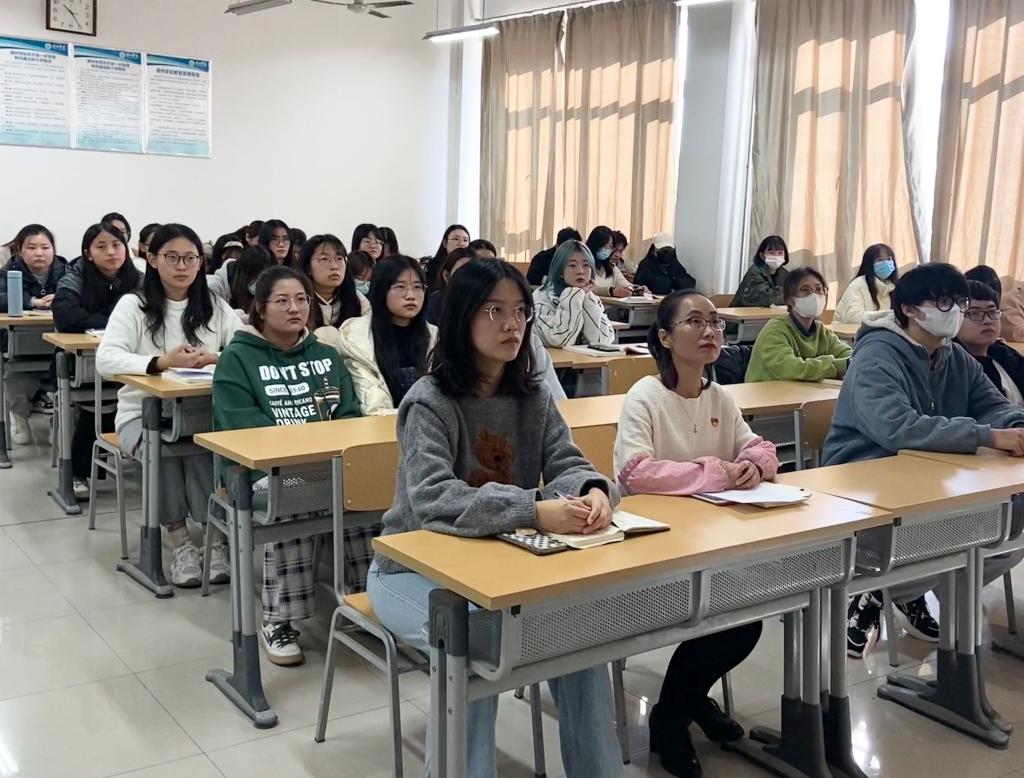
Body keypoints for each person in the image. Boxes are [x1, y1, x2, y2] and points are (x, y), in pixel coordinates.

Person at [367, 258, 624, 778]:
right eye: (495, 311)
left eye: (521, 311)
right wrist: (534, 510)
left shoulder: (532, 395)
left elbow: (567, 461)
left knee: (580, 636)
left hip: (499, 567)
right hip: (412, 571)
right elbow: (433, 498)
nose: (512, 325)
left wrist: (594, 491)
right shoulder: (430, 401)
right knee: (472, 643)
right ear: (462, 318)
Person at [614, 290, 776, 777]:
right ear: (665, 337)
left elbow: (760, 446)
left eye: (716, 323)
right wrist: (716, 472)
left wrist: (754, 465)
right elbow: (635, 472)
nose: (710, 332)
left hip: (710, 542)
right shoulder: (645, 396)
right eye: (696, 322)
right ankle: (672, 720)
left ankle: (682, 704)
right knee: (714, 617)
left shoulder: (719, 395)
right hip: (653, 545)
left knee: (745, 621)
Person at [824, 263, 1024, 657]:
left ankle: (903, 587)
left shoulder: (953, 355)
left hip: (931, 469)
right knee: (955, 528)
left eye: (961, 303)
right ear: (911, 310)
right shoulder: (877, 356)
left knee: (1008, 527)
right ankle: (886, 587)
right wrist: (987, 436)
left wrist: (1017, 426)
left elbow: (992, 404)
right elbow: (897, 428)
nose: (956, 312)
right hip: (866, 472)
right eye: (945, 302)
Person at [213, 266, 362, 664]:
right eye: (282, 301)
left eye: (302, 300)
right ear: (260, 308)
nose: (295, 308)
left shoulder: (326, 356)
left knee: (370, 491)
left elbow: (349, 415)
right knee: (296, 492)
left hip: (327, 464)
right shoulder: (237, 359)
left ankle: (367, 604)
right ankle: (278, 618)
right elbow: (242, 430)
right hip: (262, 473)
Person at [96, 223, 240, 588]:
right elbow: (106, 359)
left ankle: (212, 539)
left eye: (190, 258)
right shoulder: (134, 305)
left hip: (199, 414)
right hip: (139, 416)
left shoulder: (215, 306)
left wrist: (213, 357)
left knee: (204, 449)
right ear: (152, 259)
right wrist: (162, 362)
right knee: (162, 451)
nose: (182, 266)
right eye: (172, 257)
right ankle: (181, 544)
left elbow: (244, 349)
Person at [53, 222, 142, 498]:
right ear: (88, 253)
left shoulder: (139, 279)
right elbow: (66, 317)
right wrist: (116, 322)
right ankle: (78, 472)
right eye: (101, 247)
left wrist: (105, 321)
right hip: (81, 363)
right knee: (98, 405)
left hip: (131, 361)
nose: (111, 252)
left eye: (117, 245)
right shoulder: (75, 277)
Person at [329, 255, 436, 415]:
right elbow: (373, 405)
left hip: (430, 423)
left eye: (417, 287)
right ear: (381, 290)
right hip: (380, 422)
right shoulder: (356, 338)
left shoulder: (436, 338)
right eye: (400, 287)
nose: (411, 295)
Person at [0, 224, 66, 444]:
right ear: (20, 250)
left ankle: (58, 422)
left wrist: (61, 298)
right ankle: (20, 420)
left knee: (69, 375)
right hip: (21, 345)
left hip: (59, 344)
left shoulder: (66, 270)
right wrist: (31, 301)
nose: (39, 253)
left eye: (45, 247)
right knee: (17, 379)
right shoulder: (9, 270)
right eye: (32, 247)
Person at [745, 267, 851, 382]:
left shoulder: (823, 332)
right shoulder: (775, 330)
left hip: (803, 391)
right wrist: (838, 366)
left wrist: (849, 363)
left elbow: (850, 356)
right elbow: (790, 369)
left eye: (819, 289)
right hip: (767, 392)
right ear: (789, 299)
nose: (814, 296)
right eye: (805, 290)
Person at [533, 240, 615, 348]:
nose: (580, 271)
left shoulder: (591, 297)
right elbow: (559, 340)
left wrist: (586, 297)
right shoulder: (542, 297)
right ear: (560, 270)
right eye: (572, 265)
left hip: (584, 359)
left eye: (586, 265)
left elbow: (602, 341)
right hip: (550, 358)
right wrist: (574, 295)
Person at [957, 280, 1024, 405]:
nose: (987, 320)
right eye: (975, 313)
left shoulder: (1005, 355)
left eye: (992, 312)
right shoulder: (952, 369)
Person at [300, 234, 368, 329]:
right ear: (308, 268)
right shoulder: (299, 299)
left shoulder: (357, 299)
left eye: (339, 259)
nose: (334, 266)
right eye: (324, 259)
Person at [834, 244, 900, 324]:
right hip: (850, 330)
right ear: (869, 264)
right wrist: (887, 316)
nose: (886, 263)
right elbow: (855, 317)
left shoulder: (894, 286)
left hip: (881, 330)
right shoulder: (858, 284)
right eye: (879, 259)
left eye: (889, 259)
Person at [730, 235, 790, 307]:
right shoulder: (755, 272)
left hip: (768, 312)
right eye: (771, 252)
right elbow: (766, 299)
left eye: (780, 253)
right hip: (744, 312)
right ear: (762, 255)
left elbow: (793, 295)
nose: (776, 256)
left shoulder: (784, 273)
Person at [426, 246, 478, 324]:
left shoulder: (484, 301)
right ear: (446, 276)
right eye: (461, 271)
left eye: (473, 271)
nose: (468, 277)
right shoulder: (435, 303)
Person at [586, 226, 633, 297]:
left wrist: (638, 288)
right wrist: (611, 291)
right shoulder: (585, 266)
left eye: (610, 247)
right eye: (604, 246)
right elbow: (589, 288)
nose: (607, 250)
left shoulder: (612, 268)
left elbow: (626, 285)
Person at [425, 224, 471, 289]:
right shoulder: (433, 265)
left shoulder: (473, 263)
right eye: (456, 239)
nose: (461, 243)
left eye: (465, 240)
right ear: (445, 243)